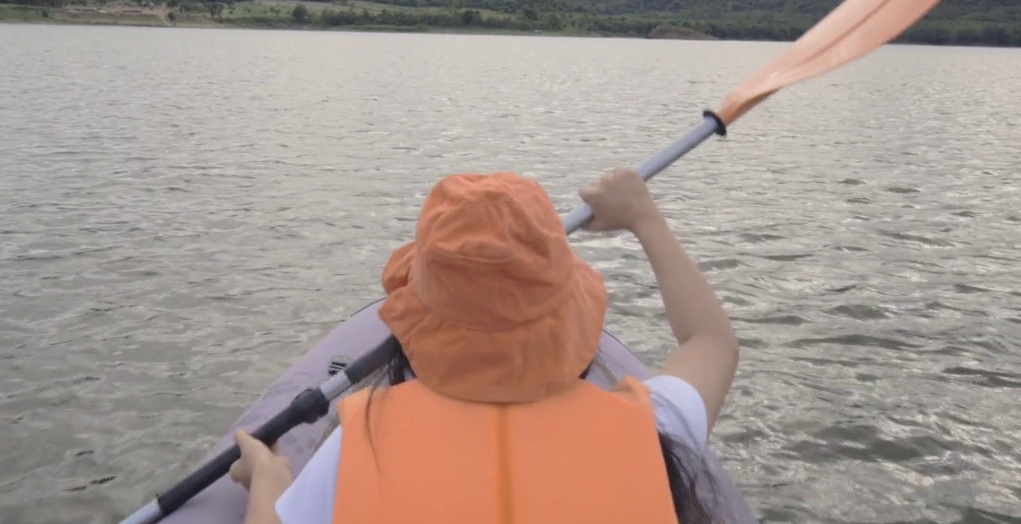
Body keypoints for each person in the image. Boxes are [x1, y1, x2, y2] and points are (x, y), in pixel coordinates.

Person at [227, 168, 740, 524]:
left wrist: (268, 481)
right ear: (570, 324)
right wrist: (643, 217)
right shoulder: (653, 429)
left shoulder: (361, 444)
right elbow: (711, 340)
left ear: (419, 331)